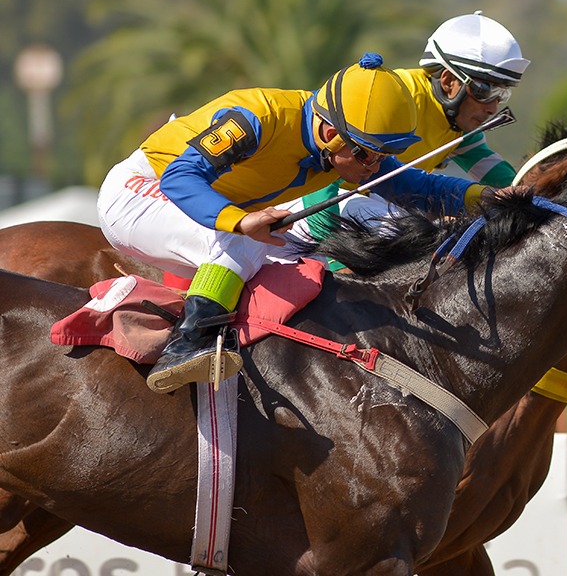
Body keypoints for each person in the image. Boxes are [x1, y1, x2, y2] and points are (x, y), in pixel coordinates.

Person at [96, 53, 491, 394]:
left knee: (302, 268)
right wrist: (241, 220)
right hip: (138, 192)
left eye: (380, 156)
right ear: (330, 133)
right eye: (367, 156)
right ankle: (186, 346)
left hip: (201, 209)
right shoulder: (258, 118)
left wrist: (487, 196)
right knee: (243, 242)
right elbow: (179, 177)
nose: (373, 167)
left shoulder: (348, 143)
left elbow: (413, 185)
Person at [295, 12, 530, 252]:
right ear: (448, 81)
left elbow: (500, 178)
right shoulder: (396, 100)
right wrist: (333, 255)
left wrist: (533, 199)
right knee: (407, 231)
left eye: (502, 95)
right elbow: (322, 178)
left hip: (367, 205)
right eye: (485, 91)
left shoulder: (458, 124)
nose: (492, 108)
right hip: (314, 204)